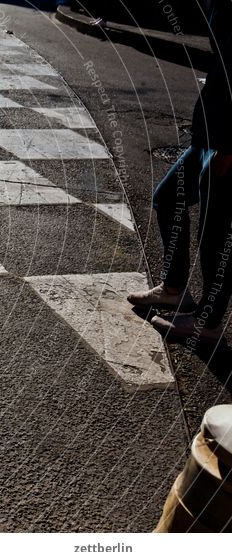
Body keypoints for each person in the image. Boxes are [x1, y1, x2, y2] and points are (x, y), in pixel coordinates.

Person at [127, 0, 232, 346]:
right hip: (211, 133)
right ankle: (174, 289)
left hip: (226, 141)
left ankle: (210, 321)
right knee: (168, 195)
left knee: (217, 232)